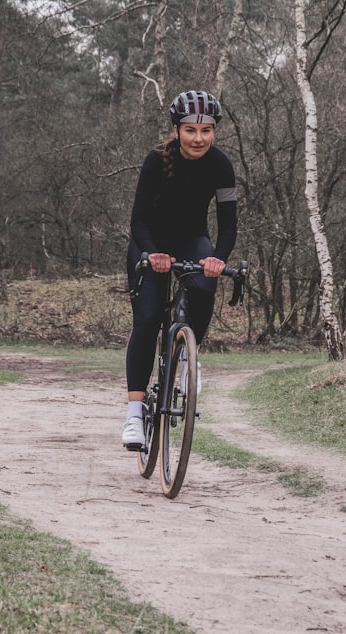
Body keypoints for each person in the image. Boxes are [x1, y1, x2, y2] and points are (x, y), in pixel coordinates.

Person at [122, 89, 238, 450]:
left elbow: (229, 225)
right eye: (190, 130)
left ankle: (189, 357)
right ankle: (134, 415)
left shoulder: (221, 166)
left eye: (206, 131)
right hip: (149, 244)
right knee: (148, 318)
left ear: (214, 132)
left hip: (192, 240)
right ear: (176, 129)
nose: (198, 138)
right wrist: (153, 254)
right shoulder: (155, 162)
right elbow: (138, 220)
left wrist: (218, 257)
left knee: (205, 284)